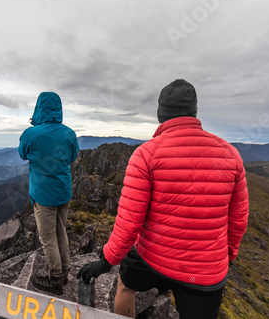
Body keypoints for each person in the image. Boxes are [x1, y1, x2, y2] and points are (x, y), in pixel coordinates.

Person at [77, 79, 249, 318]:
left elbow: (129, 222)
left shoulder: (146, 154)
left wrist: (105, 262)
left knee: (125, 285)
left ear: (160, 114)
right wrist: (228, 254)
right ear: (194, 112)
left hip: (153, 260)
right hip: (205, 270)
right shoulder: (231, 155)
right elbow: (238, 218)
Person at [19, 91, 79, 295]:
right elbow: (73, 157)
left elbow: (22, 153)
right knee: (60, 231)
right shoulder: (69, 133)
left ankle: (55, 278)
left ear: (39, 109)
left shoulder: (31, 134)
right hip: (64, 192)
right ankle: (65, 268)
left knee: (47, 237)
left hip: (43, 195)